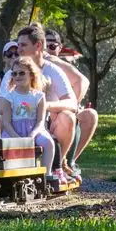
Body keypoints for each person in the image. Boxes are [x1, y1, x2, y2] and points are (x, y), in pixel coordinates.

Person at [0, 23, 79, 183]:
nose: (18, 49)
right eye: (18, 45)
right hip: (14, 123)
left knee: (67, 117)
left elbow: (73, 104)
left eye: (23, 45)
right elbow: (2, 106)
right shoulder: (11, 74)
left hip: (43, 123)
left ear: (38, 45)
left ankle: (56, 168)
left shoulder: (53, 70)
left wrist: (46, 106)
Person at [45, 28, 98, 171]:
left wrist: (72, 104)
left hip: (61, 109)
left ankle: (71, 160)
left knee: (90, 115)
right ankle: (58, 165)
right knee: (66, 115)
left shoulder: (60, 65)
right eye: (45, 45)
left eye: (52, 46)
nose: (47, 49)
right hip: (46, 111)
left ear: (60, 48)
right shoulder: (38, 62)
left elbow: (83, 81)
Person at [0, 56, 58, 180]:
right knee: (4, 144)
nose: (17, 76)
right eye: (14, 73)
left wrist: (33, 134)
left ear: (31, 75)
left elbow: (40, 121)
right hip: (13, 130)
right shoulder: (9, 96)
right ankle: (8, 175)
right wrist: (16, 138)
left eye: (21, 73)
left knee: (48, 142)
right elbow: (6, 122)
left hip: (34, 129)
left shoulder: (39, 96)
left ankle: (46, 175)